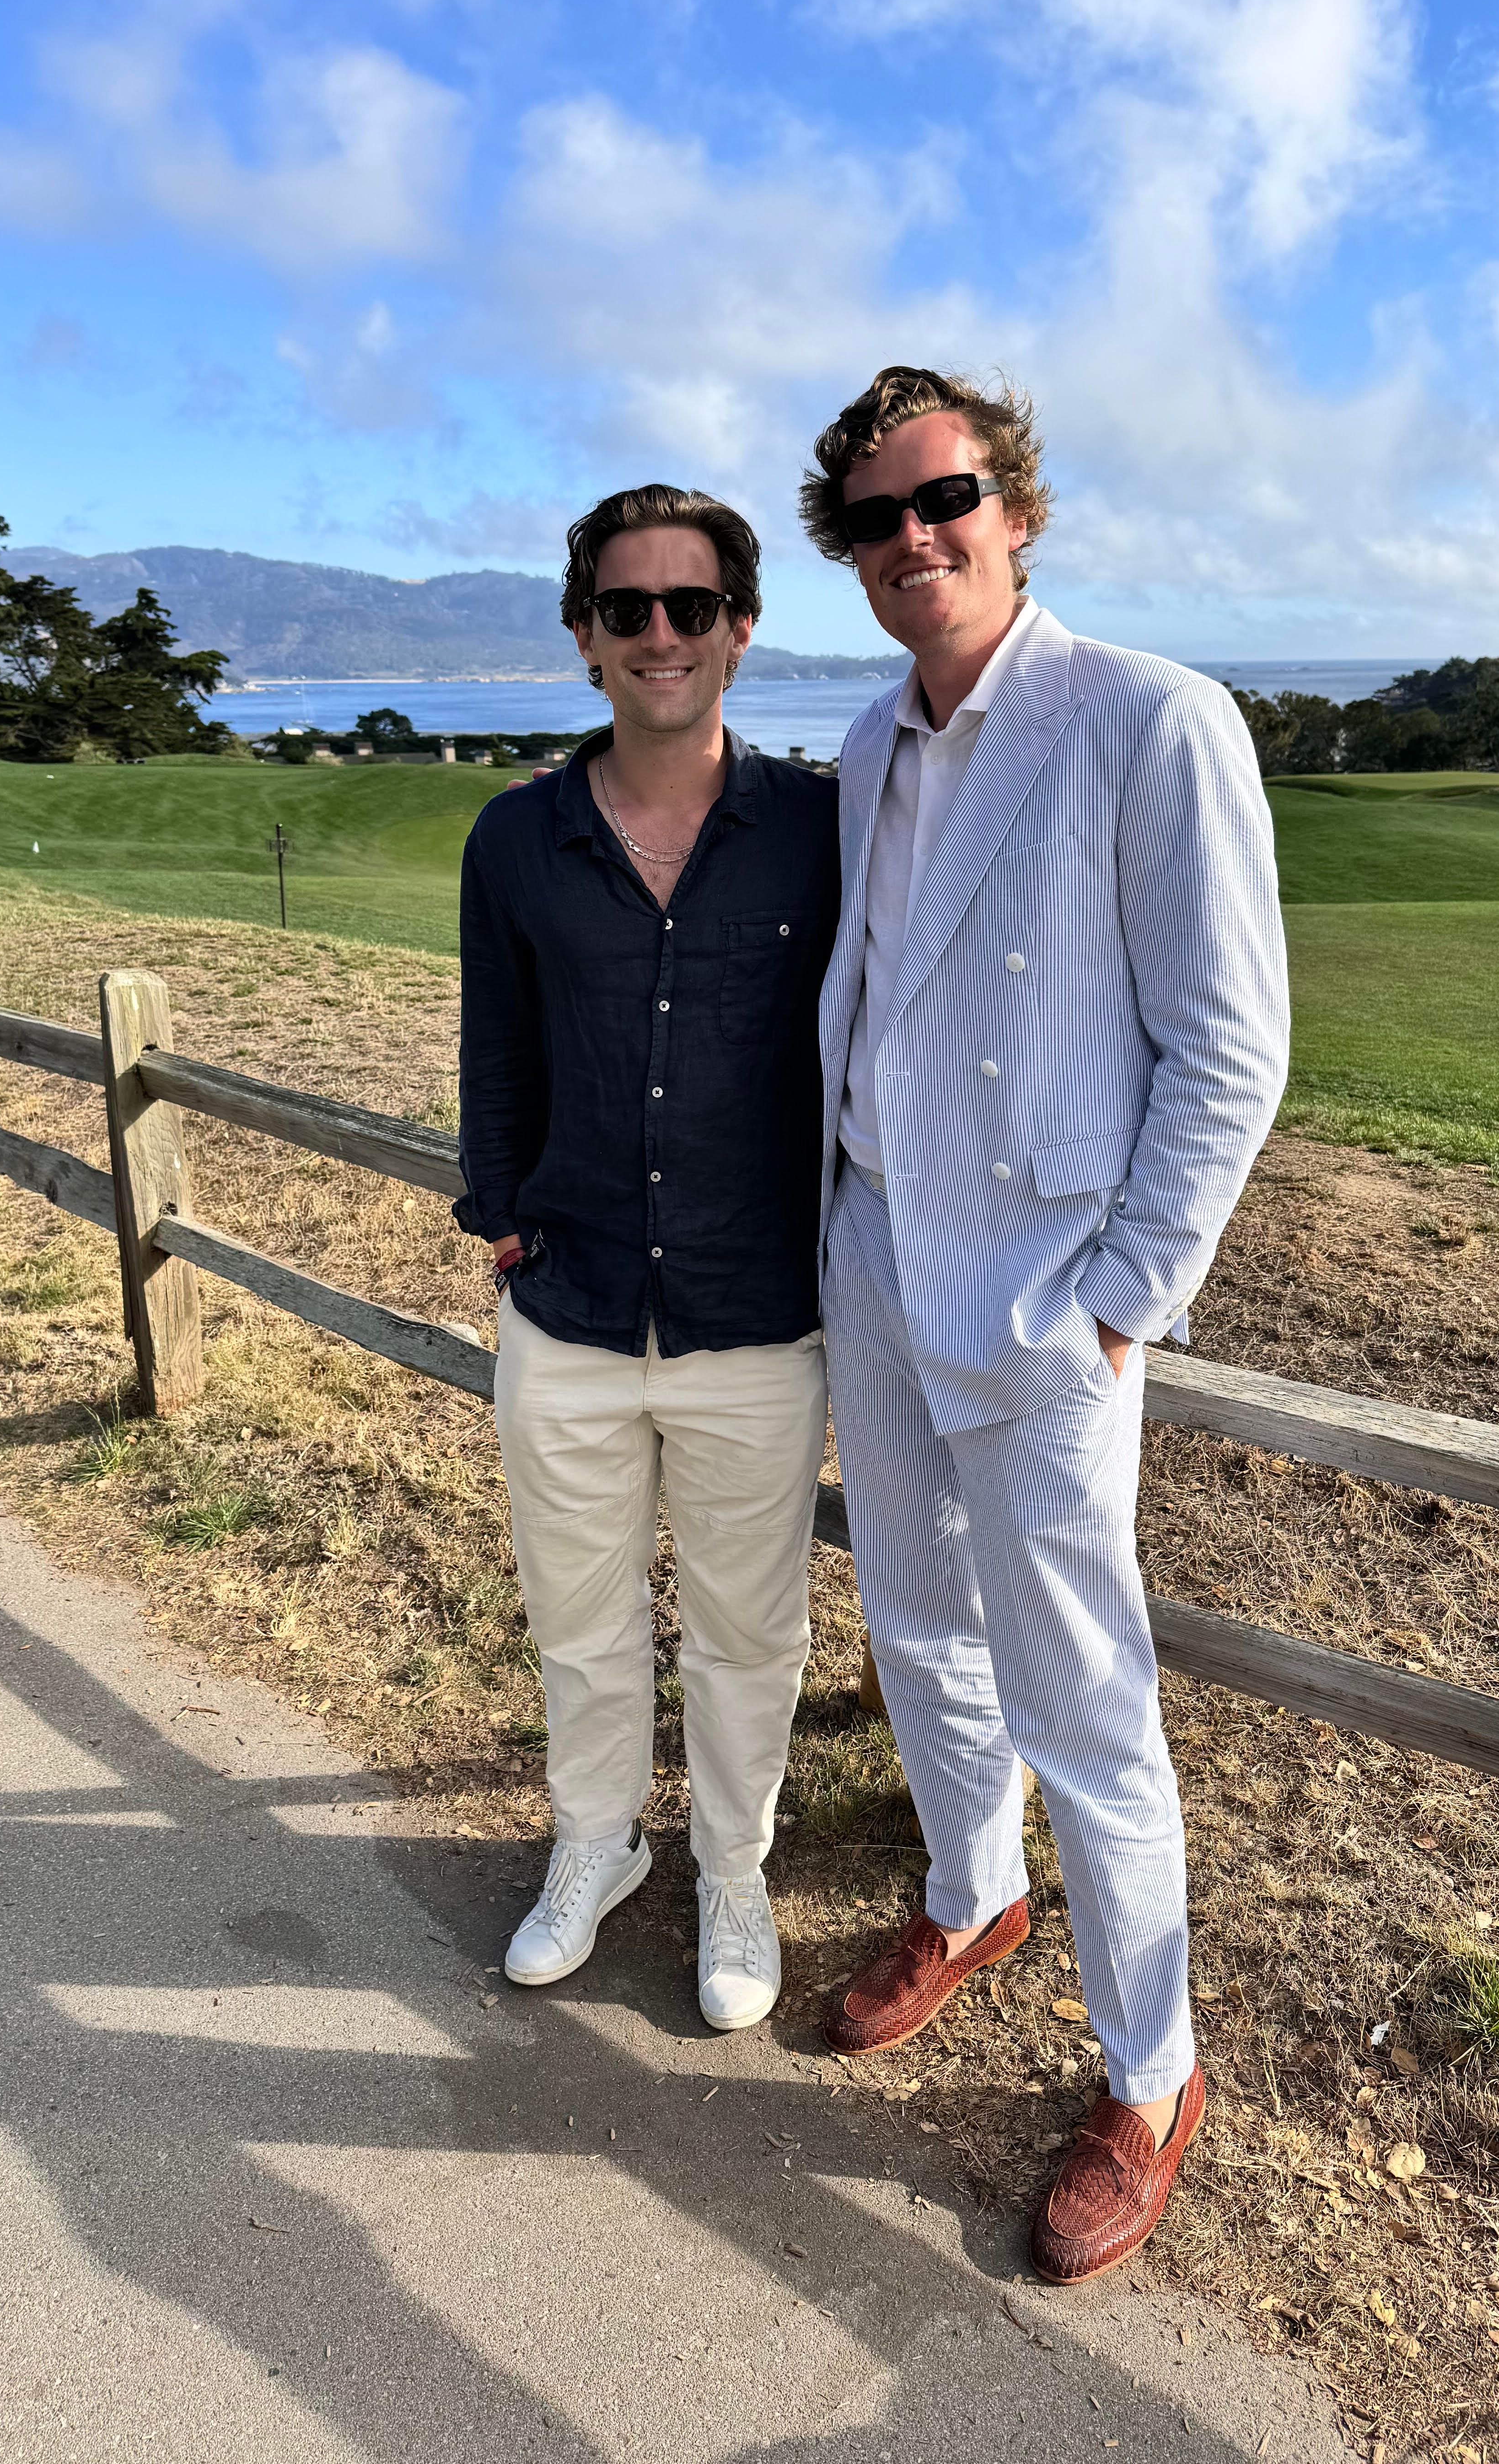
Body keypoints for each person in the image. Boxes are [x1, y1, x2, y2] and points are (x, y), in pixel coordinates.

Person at [801, 367, 1289, 2278]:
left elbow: (1229, 1049)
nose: (911, 537)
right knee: (915, 1612)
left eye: (943, 498)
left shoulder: (1148, 717)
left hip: (1040, 1278)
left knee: (1085, 1695)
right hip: (871, 1243)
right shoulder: (869, 740)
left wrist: (1122, 1301)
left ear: (1013, 505)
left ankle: (1151, 2075)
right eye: (873, 517)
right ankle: (970, 1892)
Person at [453, 484, 839, 2031]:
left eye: (692, 607)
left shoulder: (819, 828)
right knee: (580, 1622)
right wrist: (498, 1207)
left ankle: (732, 1873)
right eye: (629, 609)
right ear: (584, 636)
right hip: (571, 1307)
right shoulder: (519, 837)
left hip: (758, 1312)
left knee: (750, 1635)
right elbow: (497, 1044)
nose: (661, 635)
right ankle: (594, 1845)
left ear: (741, 628)